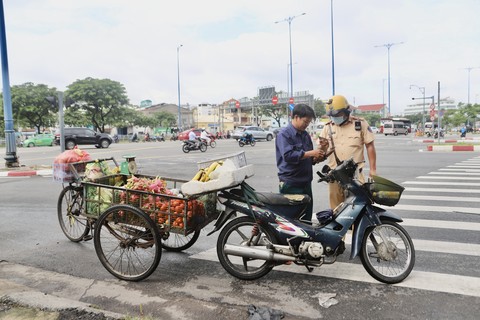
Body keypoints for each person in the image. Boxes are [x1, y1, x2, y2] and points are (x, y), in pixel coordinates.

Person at [319, 95, 377, 209]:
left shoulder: (360, 124)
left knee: (357, 207)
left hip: (355, 175)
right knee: (336, 209)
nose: (334, 118)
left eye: (337, 115)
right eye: (332, 116)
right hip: (334, 175)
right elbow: (321, 152)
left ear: (346, 111)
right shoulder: (327, 127)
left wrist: (373, 169)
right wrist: (323, 148)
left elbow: (370, 146)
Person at [275, 103, 325, 222]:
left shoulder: (305, 135)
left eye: (308, 123)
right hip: (291, 184)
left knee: (306, 219)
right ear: (296, 117)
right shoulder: (284, 134)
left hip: (306, 183)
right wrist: (312, 153)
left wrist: (320, 155)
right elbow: (288, 156)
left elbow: (309, 157)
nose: (307, 125)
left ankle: (302, 240)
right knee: (291, 220)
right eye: (305, 121)